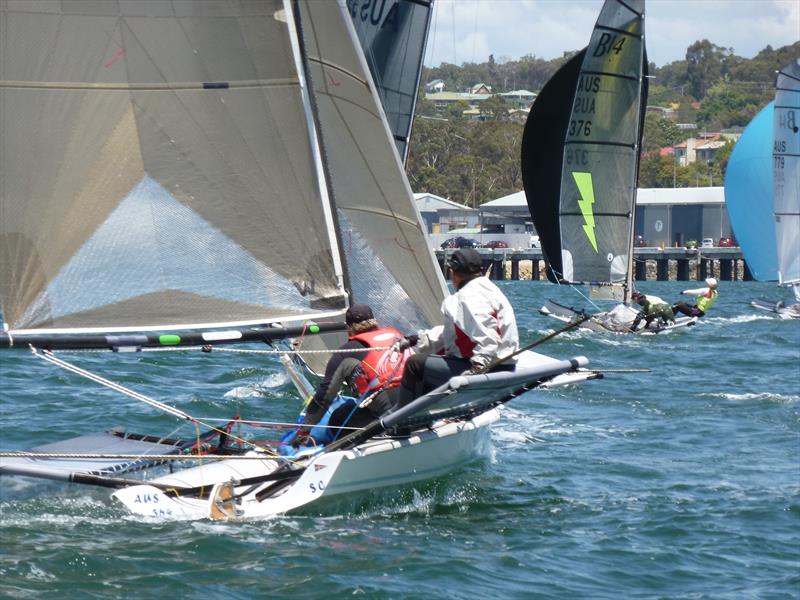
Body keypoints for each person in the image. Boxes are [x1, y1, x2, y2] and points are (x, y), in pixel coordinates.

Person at [392, 248, 519, 409]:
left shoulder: (468, 296)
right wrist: (417, 339)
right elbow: (455, 332)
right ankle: (423, 414)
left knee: (415, 364)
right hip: (504, 368)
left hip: (486, 371)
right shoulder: (490, 290)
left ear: (452, 272)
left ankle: (401, 425)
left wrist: (476, 369)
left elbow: (489, 338)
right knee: (432, 361)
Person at [289, 304, 410, 445]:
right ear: (375, 322)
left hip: (392, 421)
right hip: (423, 408)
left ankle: (356, 451)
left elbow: (324, 396)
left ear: (349, 329)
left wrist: (304, 430)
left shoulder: (345, 353)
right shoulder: (399, 337)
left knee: (339, 418)